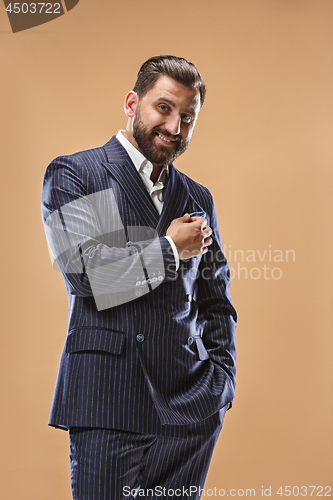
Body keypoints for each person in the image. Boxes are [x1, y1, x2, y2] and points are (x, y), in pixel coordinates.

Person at [41, 55, 237, 500]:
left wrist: (221, 381)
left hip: (191, 408)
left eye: (188, 117)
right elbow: (92, 277)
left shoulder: (196, 196)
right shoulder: (77, 174)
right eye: (164, 108)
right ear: (132, 103)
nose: (174, 126)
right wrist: (169, 248)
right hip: (109, 401)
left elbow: (215, 300)